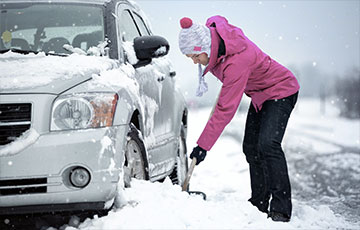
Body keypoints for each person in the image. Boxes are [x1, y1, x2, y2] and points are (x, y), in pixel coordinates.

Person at [178, 16, 300, 222]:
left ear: (205, 48)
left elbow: (225, 109)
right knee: (251, 148)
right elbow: (217, 20)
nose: (194, 62)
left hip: (281, 90)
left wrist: (203, 146)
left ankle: (281, 207)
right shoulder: (215, 42)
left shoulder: (236, 63)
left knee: (268, 144)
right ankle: (259, 202)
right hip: (260, 95)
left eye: (195, 56)